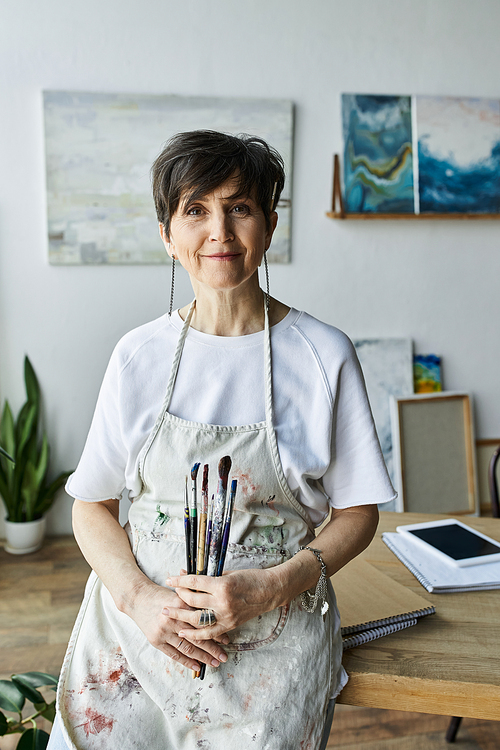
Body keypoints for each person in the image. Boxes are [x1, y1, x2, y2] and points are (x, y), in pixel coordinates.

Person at [50, 130, 395, 750]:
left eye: (240, 207)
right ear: (167, 234)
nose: (220, 233)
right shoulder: (138, 357)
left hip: (272, 651)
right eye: (196, 210)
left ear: (268, 223)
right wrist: (139, 599)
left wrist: (271, 586)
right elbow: (91, 505)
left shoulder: (323, 355)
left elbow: (359, 513)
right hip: (133, 643)